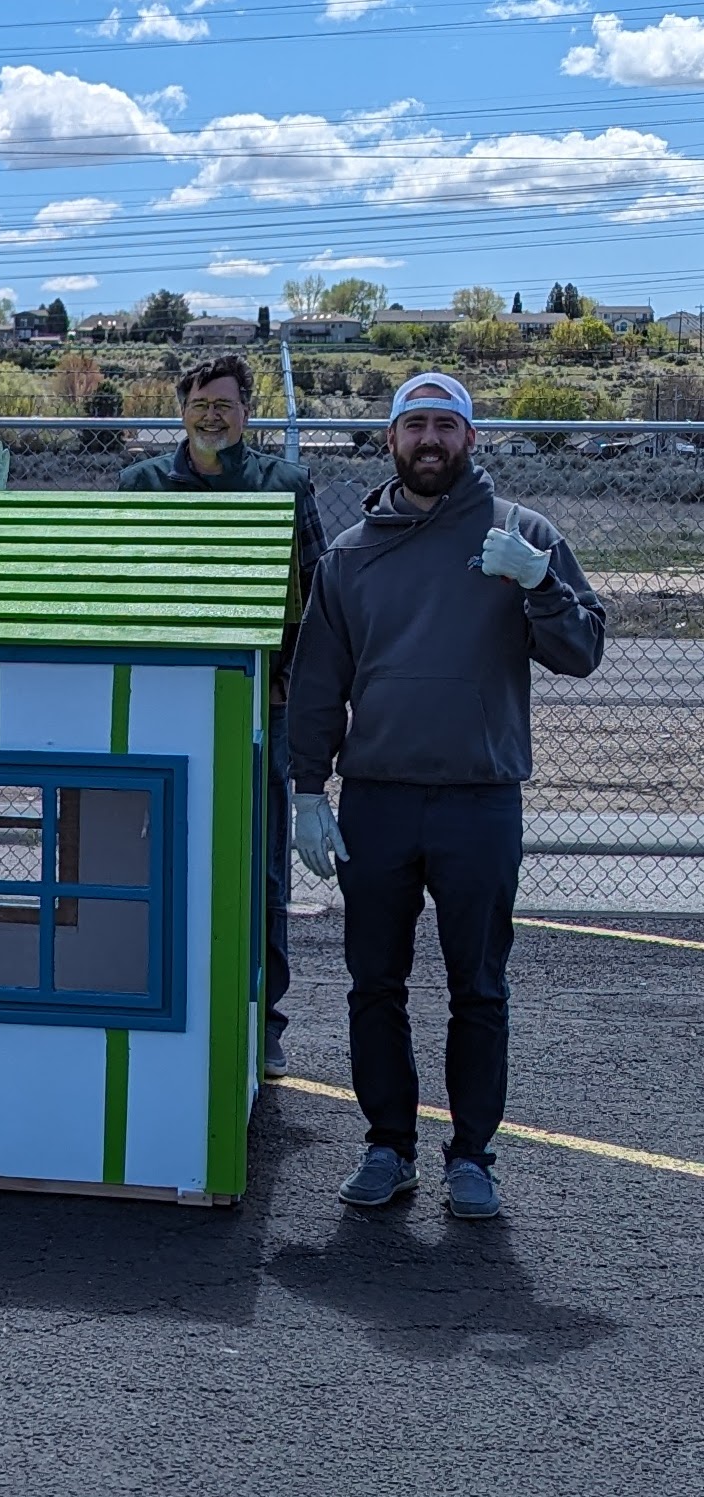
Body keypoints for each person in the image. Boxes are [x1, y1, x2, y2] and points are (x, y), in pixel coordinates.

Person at [289, 373, 606, 1220]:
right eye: (415, 424)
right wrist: (305, 788)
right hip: (381, 802)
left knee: (480, 986)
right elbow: (320, 679)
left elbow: (582, 653)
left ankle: (472, 1154)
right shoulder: (354, 553)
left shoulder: (523, 535)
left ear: (471, 439)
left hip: (480, 800)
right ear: (390, 440)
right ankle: (388, 1145)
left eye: (446, 425)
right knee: (374, 983)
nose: (430, 439)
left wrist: (541, 585)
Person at [120, 354, 326, 1080]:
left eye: (226, 405)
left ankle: (263, 1018)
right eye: (200, 403)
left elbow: (316, 599)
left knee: (261, 871)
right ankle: (152, 998)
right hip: (162, 708)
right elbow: (120, 597)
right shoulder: (140, 486)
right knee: (150, 859)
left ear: (248, 413)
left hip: (255, 711)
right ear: (181, 409)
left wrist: (285, 687)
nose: (213, 417)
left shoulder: (284, 485)